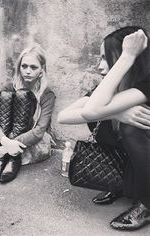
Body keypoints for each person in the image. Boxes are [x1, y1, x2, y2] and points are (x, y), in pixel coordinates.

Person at [58, 26, 150, 231]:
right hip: (132, 165)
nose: (100, 67)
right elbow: (63, 116)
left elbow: (91, 110)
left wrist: (127, 56)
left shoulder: (147, 82)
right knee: (102, 119)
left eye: (106, 58)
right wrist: (116, 113)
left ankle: (146, 203)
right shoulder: (107, 92)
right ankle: (120, 183)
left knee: (129, 128)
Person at [0, 44, 56, 184]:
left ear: (41, 71)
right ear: (19, 68)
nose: (28, 71)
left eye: (33, 67)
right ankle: (3, 159)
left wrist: (8, 147)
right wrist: (5, 142)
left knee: (23, 97)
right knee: (7, 96)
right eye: (24, 66)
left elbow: (39, 131)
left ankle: (13, 159)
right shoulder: (9, 87)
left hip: (31, 142)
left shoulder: (47, 94)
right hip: (6, 139)